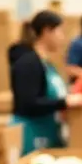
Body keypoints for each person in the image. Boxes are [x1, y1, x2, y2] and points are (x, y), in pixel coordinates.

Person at [9, 10, 69, 155]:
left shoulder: (47, 65)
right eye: (60, 32)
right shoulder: (28, 64)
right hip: (31, 136)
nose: (63, 38)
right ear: (47, 31)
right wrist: (64, 103)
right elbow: (28, 103)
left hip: (49, 132)